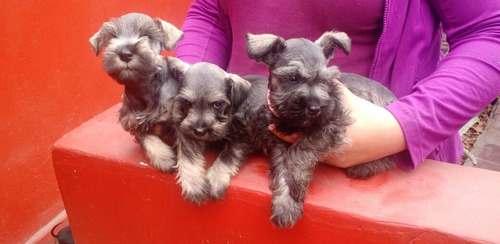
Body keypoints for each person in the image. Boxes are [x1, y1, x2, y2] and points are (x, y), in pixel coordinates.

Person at [175, 0, 500, 171]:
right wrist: (195, 91)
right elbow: (211, 12)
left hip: (374, 161)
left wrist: (402, 125)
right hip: (237, 142)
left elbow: (490, 29)